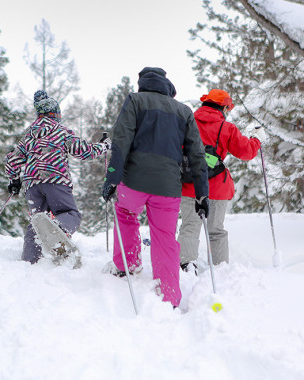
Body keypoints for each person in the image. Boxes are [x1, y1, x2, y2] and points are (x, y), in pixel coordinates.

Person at [102, 67, 209, 308]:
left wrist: (112, 180)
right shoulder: (184, 111)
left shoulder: (135, 101)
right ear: (167, 86)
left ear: (143, 84)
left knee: (125, 212)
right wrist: (202, 194)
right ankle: (170, 296)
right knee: (164, 237)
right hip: (168, 187)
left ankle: (127, 265)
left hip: (133, 182)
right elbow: (197, 155)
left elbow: (121, 142)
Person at [5, 90, 111, 264]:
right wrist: (103, 146)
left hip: (32, 186)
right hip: (55, 181)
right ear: (55, 113)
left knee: (37, 224)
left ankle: (30, 261)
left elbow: (12, 161)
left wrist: (14, 180)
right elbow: (83, 151)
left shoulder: (29, 135)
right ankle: (58, 229)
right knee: (70, 214)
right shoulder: (61, 131)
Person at [178, 89, 265, 273]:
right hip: (216, 187)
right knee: (216, 230)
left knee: (189, 227)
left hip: (189, 185)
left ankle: (186, 265)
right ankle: (220, 270)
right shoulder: (226, 128)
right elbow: (246, 152)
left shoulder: (187, 122)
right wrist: (257, 140)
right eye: (228, 109)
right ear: (224, 107)